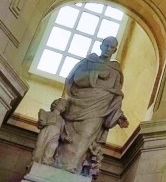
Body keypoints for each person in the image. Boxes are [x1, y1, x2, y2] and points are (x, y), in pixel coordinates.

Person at [53, 37, 128, 173]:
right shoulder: (89, 61)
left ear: (114, 50)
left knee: (87, 134)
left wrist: (118, 114)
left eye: (111, 47)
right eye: (106, 45)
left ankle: (73, 165)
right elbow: (76, 77)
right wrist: (96, 74)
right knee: (67, 134)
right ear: (101, 46)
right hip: (77, 102)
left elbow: (116, 93)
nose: (108, 49)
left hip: (99, 107)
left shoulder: (115, 70)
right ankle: (57, 163)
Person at [33, 98, 68, 166]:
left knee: (51, 148)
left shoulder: (62, 120)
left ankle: (45, 163)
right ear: (56, 104)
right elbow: (39, 125)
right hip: (45, 132)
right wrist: (41, 122)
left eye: (65, 106)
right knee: (39, 147)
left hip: (55, 136)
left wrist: (66, 138)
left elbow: (62, 133)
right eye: (62, 104)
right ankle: (35, 162)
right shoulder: (46, 113)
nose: (63, 107)